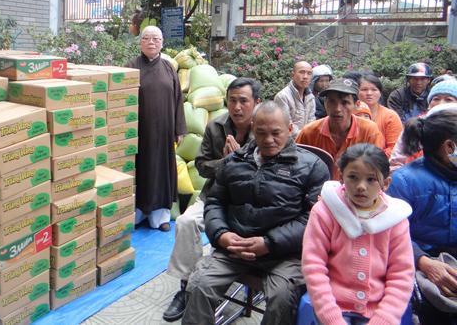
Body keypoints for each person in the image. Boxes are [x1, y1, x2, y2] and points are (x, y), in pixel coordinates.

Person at [181, 101, 329, 325]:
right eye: (261, 133)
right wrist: (222, 235)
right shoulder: (234, 161)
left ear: (290, 129)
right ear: (252, 128)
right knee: (199, 284)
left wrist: (268, 243)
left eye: (276, 133)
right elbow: (215, 202)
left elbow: (314, 218)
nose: (268, 140)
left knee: (281, 299)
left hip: (285, 255)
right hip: (235, 247)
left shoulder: (312, 166)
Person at [163, 77, 262, 322]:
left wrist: (240, 160)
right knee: (185, 221)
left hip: (250, 202)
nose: (237, 107)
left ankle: (220, 277)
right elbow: (201, 166)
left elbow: (267, 173)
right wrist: (227, 162)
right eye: (232, 100)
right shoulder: (216, 126)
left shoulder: (265, 129)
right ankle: (187, 287)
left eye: (243, 101)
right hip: (215, 195)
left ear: (257, 103)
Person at [302, 144, 415, 325]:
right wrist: (332, 318)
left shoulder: (396, 218)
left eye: (371, 179)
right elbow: (313, 266)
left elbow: (401, 274)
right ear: (341, 177)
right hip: (332, 306)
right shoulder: (325, 212)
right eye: (353, 177)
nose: (361, 186)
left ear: (386, 183)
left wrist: (384, 319)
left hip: (378, 309)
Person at [386, 105, 457, 325]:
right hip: (418, 261)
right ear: (449, 147)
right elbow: (390, 234)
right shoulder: (404, 181)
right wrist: (424, 262)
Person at [127, 26, 187, 231]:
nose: (151, 42)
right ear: (140, 42)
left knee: (162, 172)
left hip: (164, 132)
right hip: (139, 132)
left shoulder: (169, 68)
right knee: (141, 171)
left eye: (155, 38)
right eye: (146, 38)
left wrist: (179, 128)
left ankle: (160, 218)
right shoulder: (130, 67)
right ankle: (137, 214)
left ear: (162, 42)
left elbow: (178, 99)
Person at [296, 78, 384, 180]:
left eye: (345, 103)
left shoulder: (369, 131)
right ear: (325, 103)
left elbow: (376, 170)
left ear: (356, 105)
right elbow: (296, 166)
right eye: (332, 101)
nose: (337, 109)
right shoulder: (309, 132)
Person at [389, 78, 457, 172]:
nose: (441, 103)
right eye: (436, 99)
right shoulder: (415, 125)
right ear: (429, 104)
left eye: (448, 100)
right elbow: (396, 162)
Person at [358, 74, 403, 157]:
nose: (369, 93)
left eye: (374, 90)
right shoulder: (349, 114)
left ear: (380, 93)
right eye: (364, 89)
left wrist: (370, 159)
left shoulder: (390, 116)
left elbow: (395, 148)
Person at [274, 60, 315, 136]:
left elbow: (312, 122)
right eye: (302, 72)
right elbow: (286, 126)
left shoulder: (311, 97)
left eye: (309, 73)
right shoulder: (283, 97)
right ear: (292, 75)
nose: (305, 77)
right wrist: (305, 136)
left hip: (306, 140)